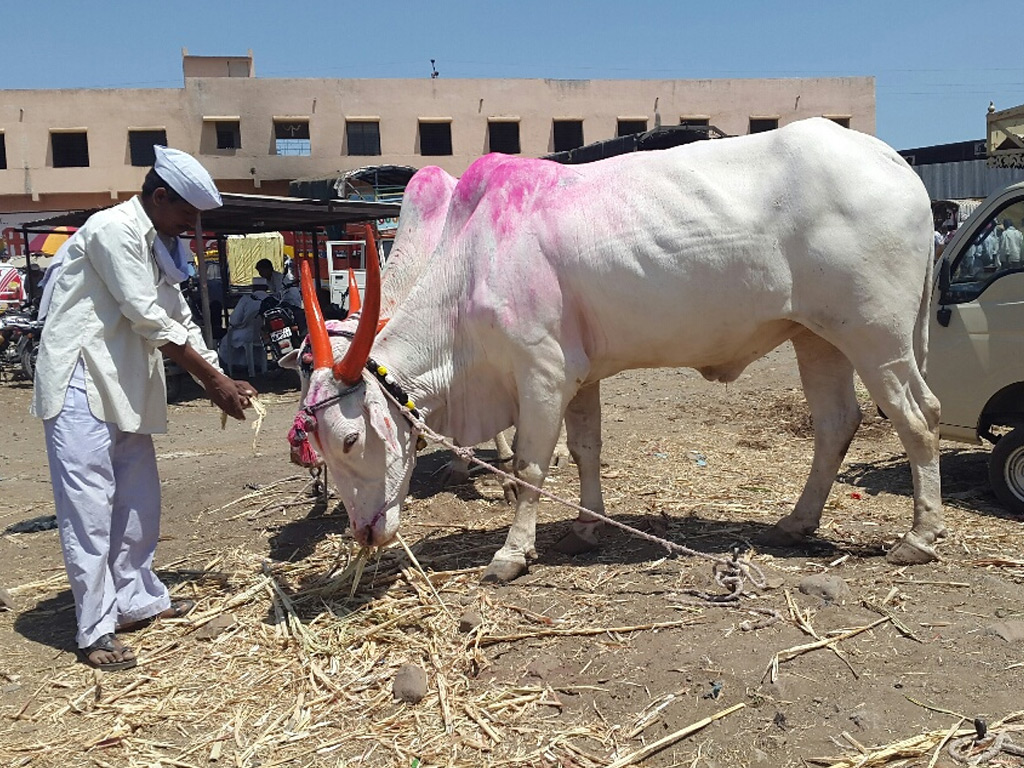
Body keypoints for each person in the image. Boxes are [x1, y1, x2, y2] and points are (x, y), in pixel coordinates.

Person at [31, 146, 257, 672]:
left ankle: (136, 601)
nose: (191, 224)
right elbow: (146, 316)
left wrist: (219, 374)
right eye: (187, 213)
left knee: (138, 501)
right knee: (88, 510)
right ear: (160, 197)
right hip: (80, 381)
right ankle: (95, 630)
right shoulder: (112, 230)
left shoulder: (159, 244)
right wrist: (212, 380)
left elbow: (179, 317)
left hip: (125, 385)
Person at [218, 276, 270, 372]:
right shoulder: (272, 300)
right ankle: (258, 365)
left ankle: (233, 365)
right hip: (266, 336)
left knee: (226, 340)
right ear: (266, 288)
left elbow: (234, 320)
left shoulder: (246, 299)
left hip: (247, 334)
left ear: (253, 288)